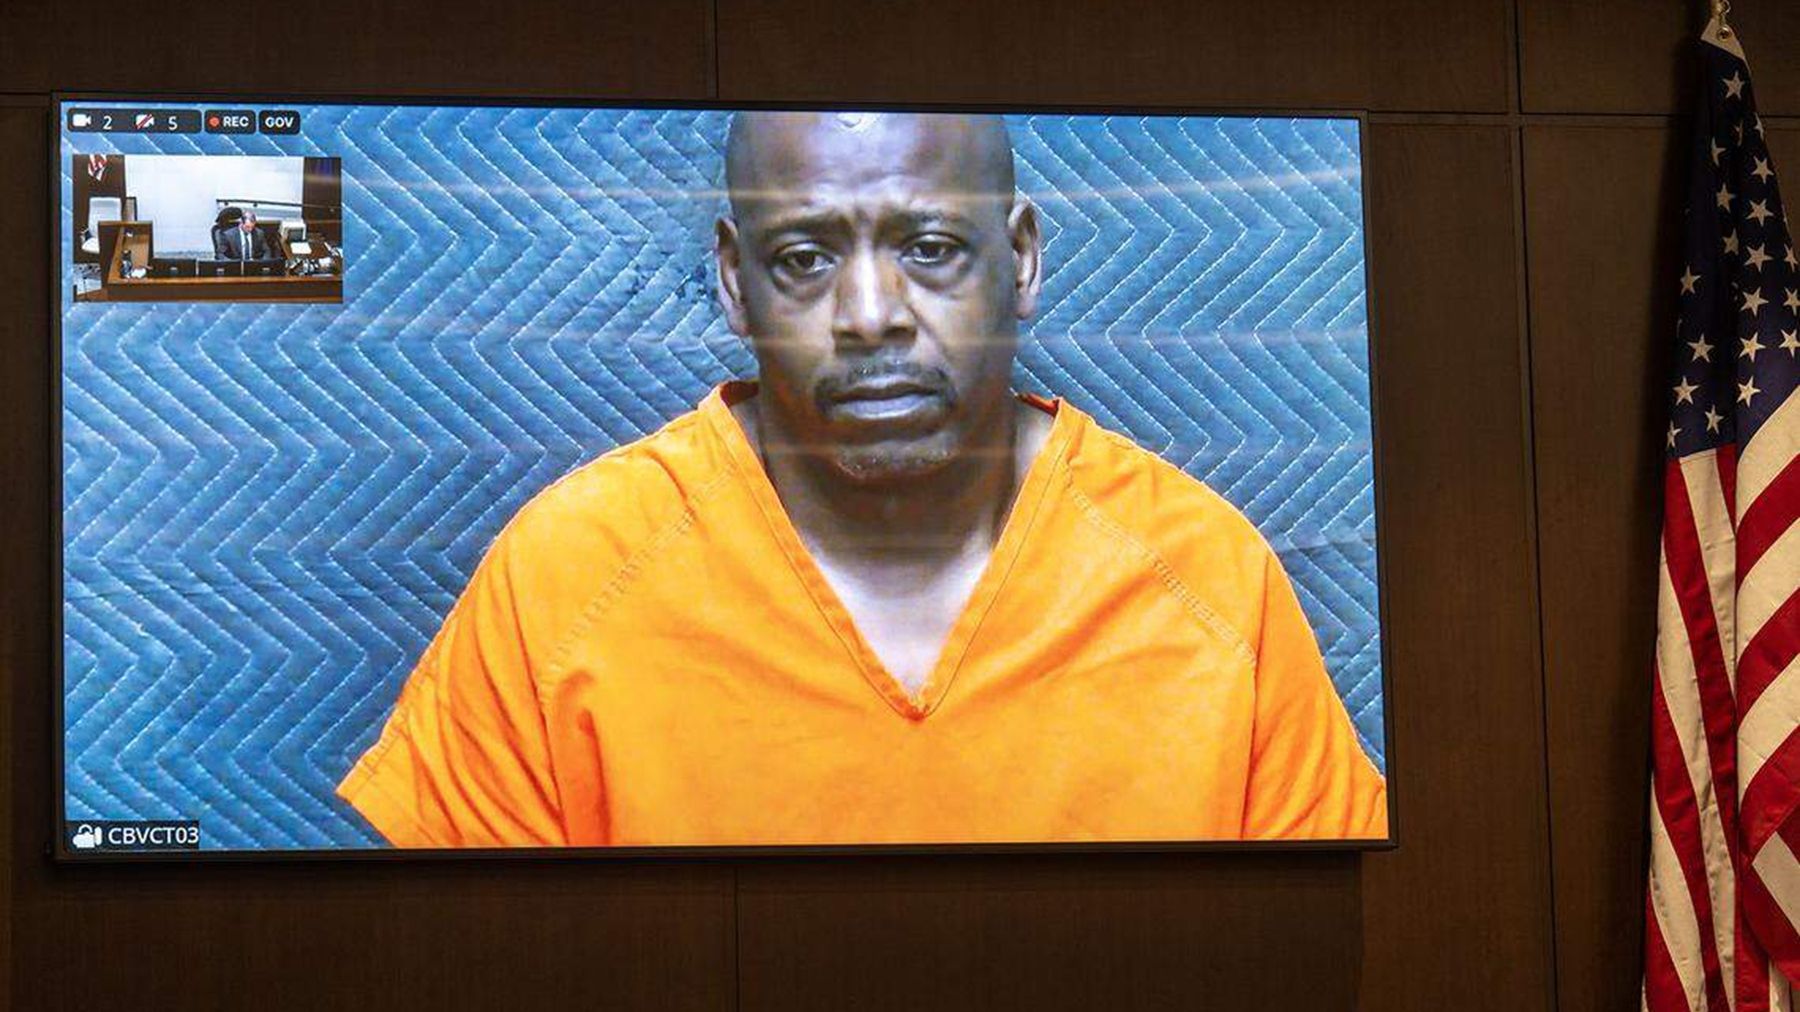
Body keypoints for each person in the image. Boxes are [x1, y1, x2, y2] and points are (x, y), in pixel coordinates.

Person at [337, 111, 1389, 848]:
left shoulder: (1208, 580)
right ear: (734, 281)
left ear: (1021, 259)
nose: (872, 314)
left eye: (929, 247)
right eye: (804, 258)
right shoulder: (564, 581)